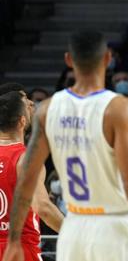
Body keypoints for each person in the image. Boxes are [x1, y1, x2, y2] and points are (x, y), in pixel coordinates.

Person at [2, 31, 128, 261]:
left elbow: (26, 183)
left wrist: (13, 240)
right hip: (114, 224)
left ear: (68, 60)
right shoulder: (119, 108)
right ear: (108, 59)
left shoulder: (47, 110)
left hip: (75, 228)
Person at [0, 89, 64, 261]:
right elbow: (43, 208)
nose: (31, 106)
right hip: (20, 249)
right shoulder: (25, 159)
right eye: (27, 106)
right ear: (22, 122)